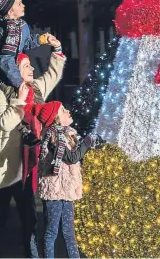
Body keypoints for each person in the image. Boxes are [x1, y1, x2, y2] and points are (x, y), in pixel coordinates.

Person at [0, 47, 66, 258]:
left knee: (30, 220)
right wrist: (19, 102)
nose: (32, 68)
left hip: (28, 169)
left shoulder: (36, 90)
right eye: (26, 65)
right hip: (6, 170)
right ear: (15, 70)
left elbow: (52, 74)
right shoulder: (0, 93)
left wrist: (57, 50)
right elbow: (3, 122)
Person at [0, 0, 61, 147]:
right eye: (19, 4)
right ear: (10, 11)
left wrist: (41, 39)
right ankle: (24, 131)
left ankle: (45, 123)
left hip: (12, 70)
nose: (23, 6)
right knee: (17, 95)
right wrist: (18, 82)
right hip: (1, 75)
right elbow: (5, 60)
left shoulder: (20, 26)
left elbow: (25, 43)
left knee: (32, 94)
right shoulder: (10, 30)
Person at [38, 104, 103, 259]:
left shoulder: (70, 133)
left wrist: (93, 141)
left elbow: (78, 152)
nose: (67, 111)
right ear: (55, 119)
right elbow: (71, 157)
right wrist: (87, 142)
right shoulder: (52, 135)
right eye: (62, 110)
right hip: (54, 190)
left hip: (67, 189)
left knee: (69, 232)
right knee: (52, 231)